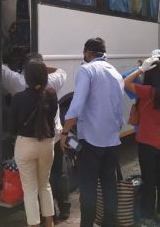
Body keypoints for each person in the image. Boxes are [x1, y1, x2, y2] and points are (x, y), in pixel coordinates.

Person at [60, 37, 124, 227]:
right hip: (112, 141)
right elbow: (118, 111)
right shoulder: (115, 72)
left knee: (88, 189)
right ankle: (109, 223)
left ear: (87, 53)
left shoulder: (86, 70)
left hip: (91, 143)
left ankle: (87, 224)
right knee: (109, 186)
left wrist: (65, 132)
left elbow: (77, 105)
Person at [1, 53, 70, 219]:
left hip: (27, 144)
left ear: (25, 71)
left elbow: (1, 69)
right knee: (51, 179)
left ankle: (35, 220)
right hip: (50, 139)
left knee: (30, 188)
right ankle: (61, 211)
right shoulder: (52, 89)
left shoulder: (17, 83)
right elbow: (62, 71)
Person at [11, 59, 58, 227]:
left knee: (30, 190)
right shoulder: (51, 95)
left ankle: (34, 225)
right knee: (44, 184)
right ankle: (49, 223)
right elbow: (51, 117)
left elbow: (13, 125)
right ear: (45, 76)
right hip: (47, 144)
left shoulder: (18, 98)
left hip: (25, 145)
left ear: (26, 77)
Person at [123, 57, 160, 227]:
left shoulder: (147, 90)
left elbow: (124, 82)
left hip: (146, 141)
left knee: (148, 180)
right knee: (159, 178)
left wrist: (141, 69)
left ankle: (148, 216)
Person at [121, 49, 160, 138]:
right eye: (155, 59)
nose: (158, 61)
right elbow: (123, 77)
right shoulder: (144, 75)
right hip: (146, 115)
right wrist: (141, 68)